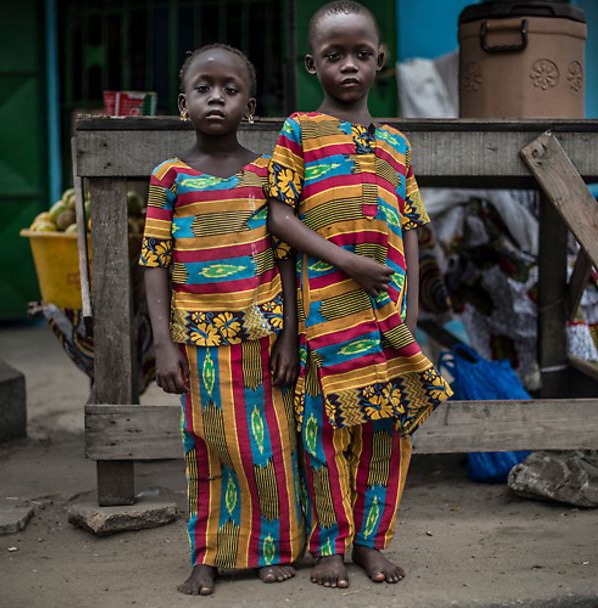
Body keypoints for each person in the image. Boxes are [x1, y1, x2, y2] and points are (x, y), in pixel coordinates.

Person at [265, 0, 451, 589]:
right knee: (322, 434)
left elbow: (411, 230)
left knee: (388, 435)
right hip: (326, 320)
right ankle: (331, 544)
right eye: (334, 55)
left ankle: (371, 541)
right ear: (311, 64)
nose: (349, 66)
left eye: (362, 55)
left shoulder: (396, 144)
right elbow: (278, 219)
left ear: (381, 61)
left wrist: (413, 313)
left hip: (387, 321)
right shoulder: (298, 132)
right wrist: (346, 262)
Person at [139, 43, 304, 596]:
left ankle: (271, 548)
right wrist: (163, 344)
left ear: (249, 107)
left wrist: (288, 338)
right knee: (207, 446)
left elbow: (283, 258)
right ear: (183, 104)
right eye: (203, 89)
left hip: (260, 335)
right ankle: (208, 553)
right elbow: (155, 261)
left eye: (229, 90)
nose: (216, 98)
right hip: (197, 342)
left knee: (267, 446)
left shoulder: (266, 174)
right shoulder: (169, 177)